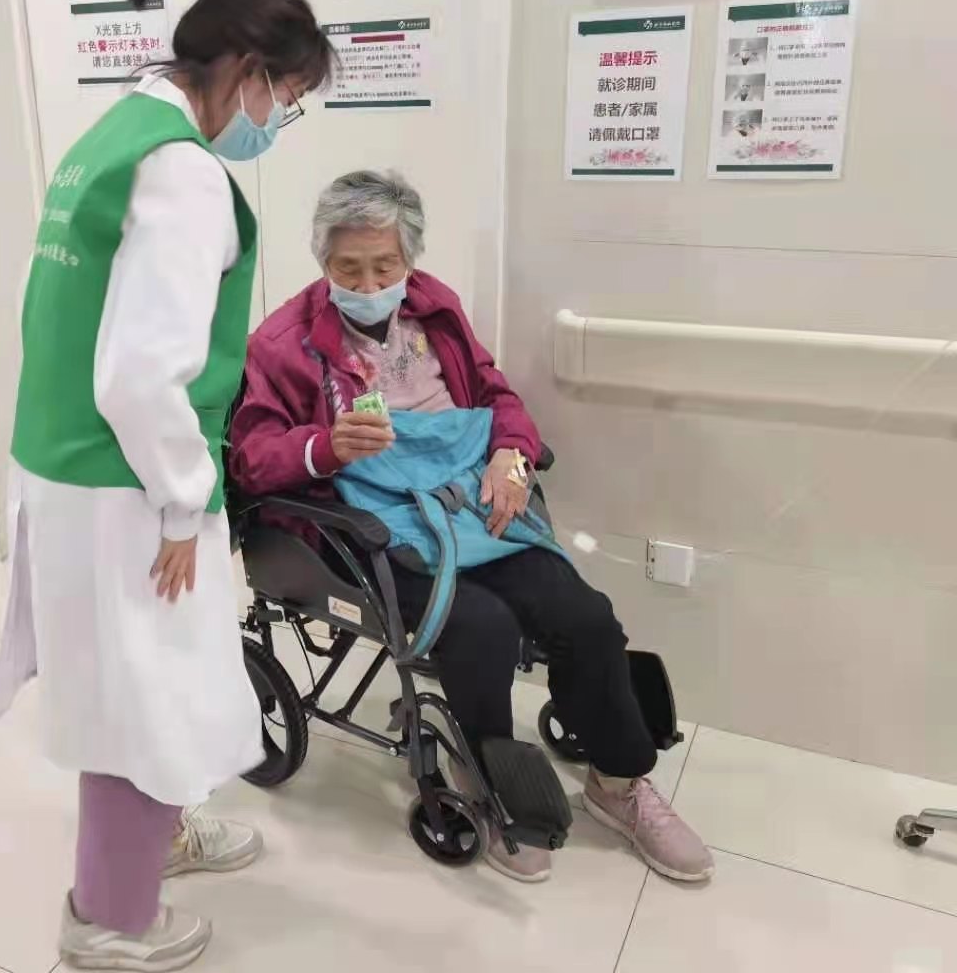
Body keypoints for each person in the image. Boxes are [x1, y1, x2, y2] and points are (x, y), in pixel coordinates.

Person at [0, 0, 335, 971]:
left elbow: (58, 313)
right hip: (127, 484)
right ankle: (108, 920)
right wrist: (184, 504)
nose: (279, 120)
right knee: (144, 698)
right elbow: (140, 373)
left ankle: (158, 841)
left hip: (69, 466)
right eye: (288, 97)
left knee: (135, 681)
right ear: (249, 72)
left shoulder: (111, 135)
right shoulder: (183, 171)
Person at [229, 170, 714, 886]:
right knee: (481, 626)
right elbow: (251, 458)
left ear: (410, 259)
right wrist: (325, 446)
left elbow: (495, 395)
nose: (369, 284)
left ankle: (618, 785)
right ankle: (487, 775)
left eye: (385, 265)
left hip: (469, 508)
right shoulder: (282, 343)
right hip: (371, 524)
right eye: (348, 268)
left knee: (585, 619)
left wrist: (512, 458)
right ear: (322, 260)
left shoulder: (435, 310)